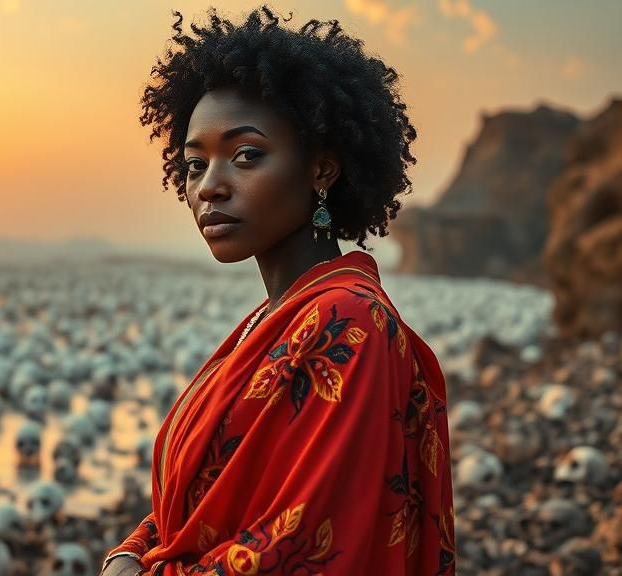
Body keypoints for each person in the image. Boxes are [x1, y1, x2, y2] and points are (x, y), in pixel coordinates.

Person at [100, 6, 455, 575]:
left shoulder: (349, 321)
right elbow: (197, 499)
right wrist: (132, 551)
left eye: (246, 156)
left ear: (321, 170)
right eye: (194, 164)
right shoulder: (267, 323)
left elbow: (307, 541)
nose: (210, 187)